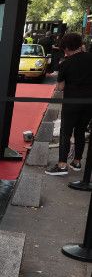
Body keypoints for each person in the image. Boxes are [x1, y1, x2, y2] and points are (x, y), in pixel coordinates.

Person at [45, 32, 92, 176]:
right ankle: (77, 162)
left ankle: (62, 165)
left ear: (66, 47)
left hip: (71, 102)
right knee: (80, 131)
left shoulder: (66, 63)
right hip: (89, 103)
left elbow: (60, 87)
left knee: (66, 132)